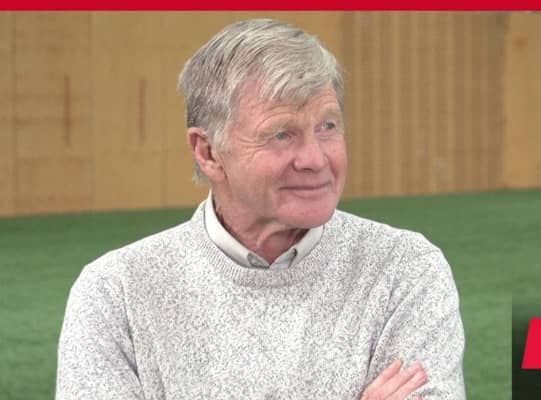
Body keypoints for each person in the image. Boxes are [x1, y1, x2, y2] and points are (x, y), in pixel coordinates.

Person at [56, 18, 465, 400]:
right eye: (281, 134)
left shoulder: (405, 270)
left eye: (327, 126)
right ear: (208, 152)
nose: (315, 159)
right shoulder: (115, 293)